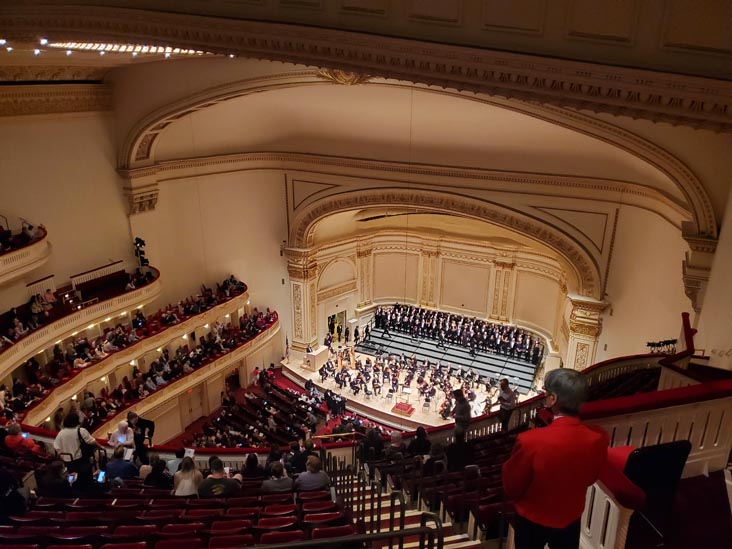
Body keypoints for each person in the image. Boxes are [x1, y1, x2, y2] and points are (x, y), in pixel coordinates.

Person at [502, 369, 609, 549]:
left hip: (532, 519)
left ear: (553, 399)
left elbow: (512, 486)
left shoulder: (530, 441)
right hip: (571, 518)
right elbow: (591, 477)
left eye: (547, 393)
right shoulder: (599, 437)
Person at [53, 412, 101, 489]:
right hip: (80, 459)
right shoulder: (80, 430)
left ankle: (75, 489)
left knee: (73, 478)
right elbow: (91, 441)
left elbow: (56, 446)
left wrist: (62, 456)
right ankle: (88, 488)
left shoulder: (61, 433)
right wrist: (101, 446)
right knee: (85, 477)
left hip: (68, 461)